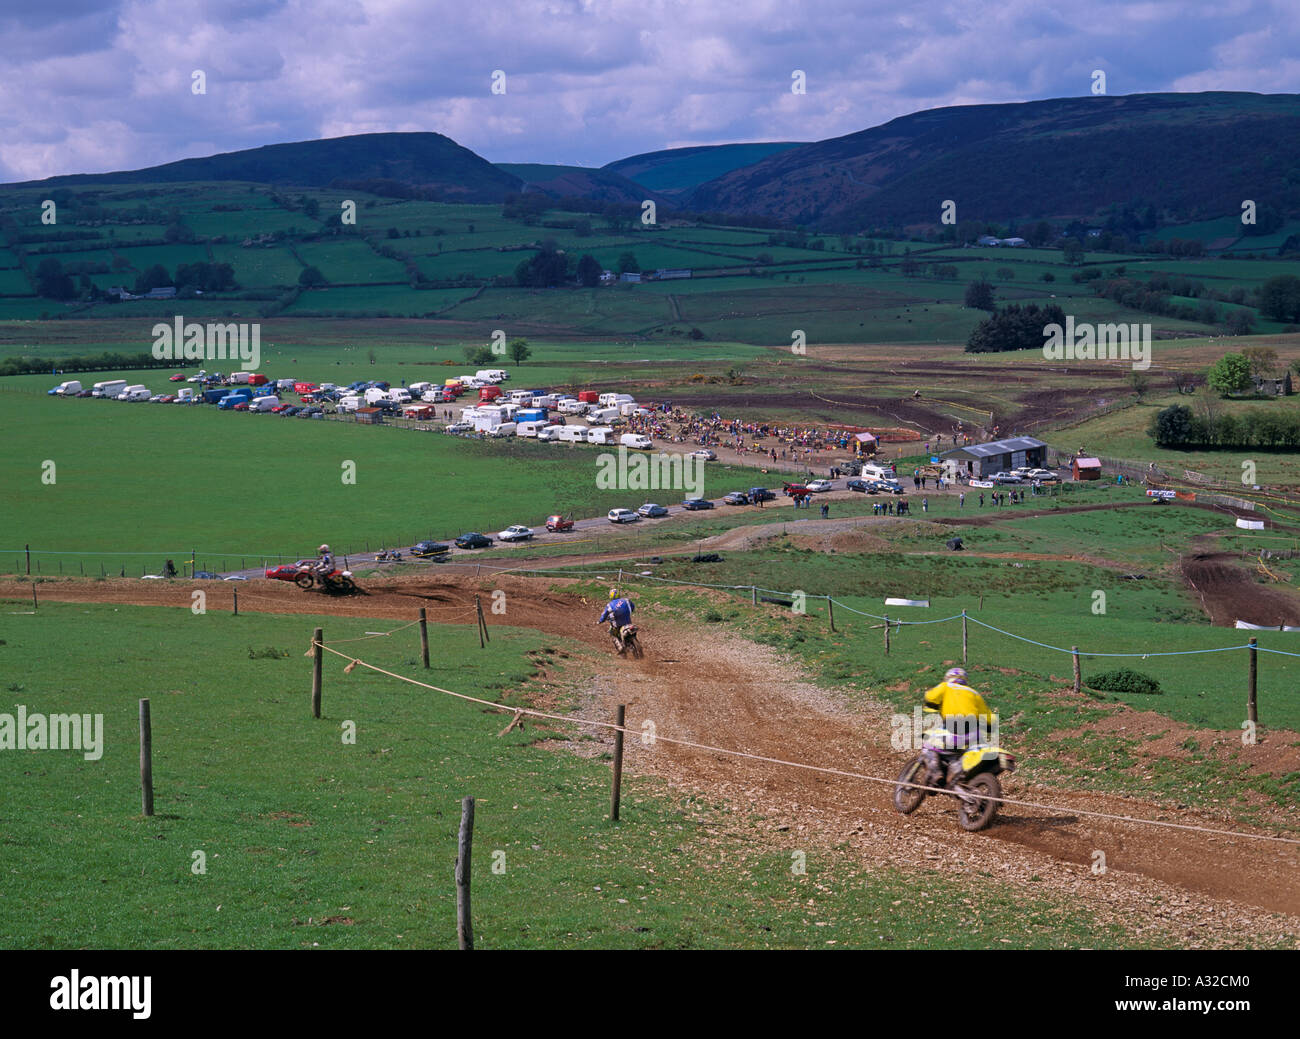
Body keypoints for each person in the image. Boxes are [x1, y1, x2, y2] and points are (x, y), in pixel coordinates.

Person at [920, 667, 996, 786]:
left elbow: (930, 697)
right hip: (973, 734)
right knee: (959, 752)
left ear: (949, 677)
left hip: (953, 729)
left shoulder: (946, 686)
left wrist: (931, 702)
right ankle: (955, 774)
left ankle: (936, 773)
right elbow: (990, 719)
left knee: (928, 744)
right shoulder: (975, 693)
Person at [598, 588, 636, 654]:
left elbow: (604, 614)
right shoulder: (626, 600)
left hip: (618, 624)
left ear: (610, 596)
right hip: (628, 623)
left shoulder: (609, 605)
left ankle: (620, 647)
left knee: (612, 633)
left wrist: (600, 621)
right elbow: (632, 607)